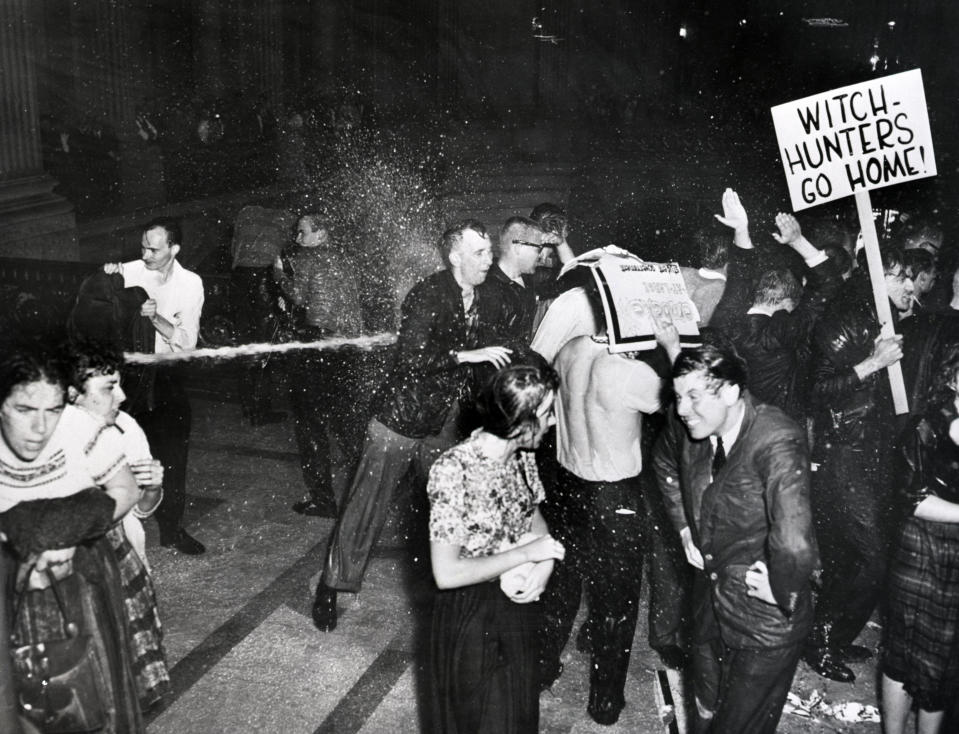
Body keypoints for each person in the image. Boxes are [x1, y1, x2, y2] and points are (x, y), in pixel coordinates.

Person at [312, 219, 514, 631]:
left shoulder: (488, 295)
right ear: (455, 256)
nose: (488, 259)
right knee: (366, 504)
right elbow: (412, 358)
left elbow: (495, 347)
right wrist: (465, 356)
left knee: (443, 506)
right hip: (400, 419)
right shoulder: (428, 293)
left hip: (443, 421)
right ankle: (331, 587)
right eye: (479, 253)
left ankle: (443, 588)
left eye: (489, 251)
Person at [653, 342, 817, 734]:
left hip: (765, 623)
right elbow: (663, 463)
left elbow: (794, 538)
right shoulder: (694, 424)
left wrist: (785, 591)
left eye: (693, 397)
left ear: (730, 393)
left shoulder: (776, 439)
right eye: (677, 397)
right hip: (709, 604)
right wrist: (683, 526)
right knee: (705, 707)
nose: (681, 409)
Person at [539, 311, 679, 725]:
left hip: (566, 483)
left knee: (560, 588)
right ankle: (604, 703)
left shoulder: (568, 351)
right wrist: (672, 349)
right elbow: (685, 403)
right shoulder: (627, 372)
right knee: (616, 601)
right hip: (612, 495)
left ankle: (541, 670)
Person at [0, 340, 144, 732]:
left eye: (53, 410)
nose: (40, 429)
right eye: (24, 410)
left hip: (78, 571)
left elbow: (126, 491)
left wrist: (65, 536)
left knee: (91, 695)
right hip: (7, 580)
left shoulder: (81, 427)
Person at [428, 364, 565, 734]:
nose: (553, 422)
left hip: (515, 607)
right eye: (547, 413)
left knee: (518, 717)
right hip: (470, 616)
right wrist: (524, 556)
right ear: (521, 421)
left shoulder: (522, 455)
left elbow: (535, 519)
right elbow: (447, 573)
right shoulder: (453, 469)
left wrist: (543, 566)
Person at [804, 245, 915, 682]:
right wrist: (874, 362)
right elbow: (815, 391)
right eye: (901, 276)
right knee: (870, 556)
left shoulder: (881, 315)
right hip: (842, 454)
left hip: (870, 450)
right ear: (878, 275)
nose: (911, 286)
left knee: (850, 557)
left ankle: (834, 636)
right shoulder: (849, 316)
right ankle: (822, 640)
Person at [66, 341, 170, 709]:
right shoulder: (48, 441)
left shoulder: (126, 428)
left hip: (127, 563)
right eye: (109, 388)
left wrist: (153, 487)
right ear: (72, 394)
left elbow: (142, 511)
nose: (122, 396)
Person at [105, 216, 206, 555]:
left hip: (167, 376)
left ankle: (172, 529)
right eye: (143, 246)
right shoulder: (128, 272)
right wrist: (107, 282)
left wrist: (155, 318)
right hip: (130, 375)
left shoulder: (191, 284)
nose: (145, 254)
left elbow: (188, 342)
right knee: (121, 454)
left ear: (174, 248)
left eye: (154, 248)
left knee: (173, 455)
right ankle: (114, 530)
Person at [882, 344, 959, 734]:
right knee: (905, 653)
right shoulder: (927, 425)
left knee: (946, 661)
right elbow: (911, 499)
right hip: (924, 546)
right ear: (953, 377)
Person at [275, 213, 365, 517]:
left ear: (321, 233)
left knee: (310, 423)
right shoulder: (345, 258)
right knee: (347, 422)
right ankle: (365, 493)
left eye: (302, 232)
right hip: (349, 347)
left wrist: (278, 275)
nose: (298, 239)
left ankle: (323, 500)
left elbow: (299, 296)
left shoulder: (308, 257)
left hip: (321, 345)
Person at [728, 212, 842, 424]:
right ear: (787, 302)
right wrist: (798, 241)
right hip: (781, 431)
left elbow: (738, 276)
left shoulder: (728, 325)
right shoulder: (782, 332)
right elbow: (830, 284)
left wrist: (741, 230)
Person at [230, 203, 295, 426]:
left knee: (246, 343)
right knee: (264, 346)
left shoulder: (245, 213)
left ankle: (249, 407)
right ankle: (261, 412)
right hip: (263, 280)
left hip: (240, 277)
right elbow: (286, 256)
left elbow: (234, 249)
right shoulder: (285, 217)